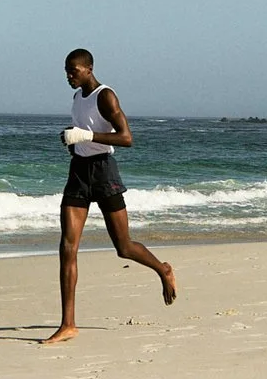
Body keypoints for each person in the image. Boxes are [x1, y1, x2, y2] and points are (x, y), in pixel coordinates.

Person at [45, 48, 175, 344]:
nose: (68, 76)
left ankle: (163, 269)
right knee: (67, 247)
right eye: (66, 71)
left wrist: (87, 137)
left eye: (73, 71)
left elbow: (126, 137)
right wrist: (72, 138)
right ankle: (68, 324)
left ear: (88, 69)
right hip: (78, 172)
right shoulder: (77, 97)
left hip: (104, 173)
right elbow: (84, 132)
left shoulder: (106, 96)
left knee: (124, 247)